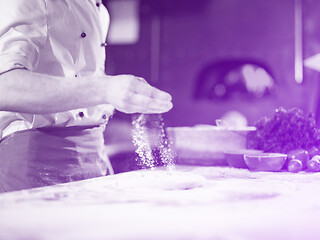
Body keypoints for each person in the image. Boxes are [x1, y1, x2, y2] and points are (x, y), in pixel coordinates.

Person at [0, 0, 173, 192]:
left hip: (94, 160)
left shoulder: (98, 9)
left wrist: (98, 158)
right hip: (34, 166)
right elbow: (5, 86)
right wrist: (105, 90)